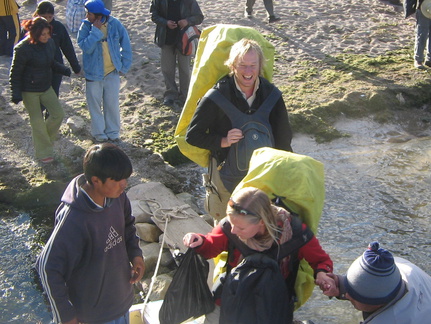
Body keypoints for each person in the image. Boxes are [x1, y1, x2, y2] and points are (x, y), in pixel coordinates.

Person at [183, 187, 334, 324]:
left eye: (241, 227)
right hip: (231, 297)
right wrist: (199, 241)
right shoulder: (229, 227)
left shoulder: (295, 233)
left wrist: (322, 273)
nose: (233, 231)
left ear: (261, 223)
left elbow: (321, 260)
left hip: (271, 303)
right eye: (231, 223)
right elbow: (209, 248)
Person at [36, 143, 146, 324]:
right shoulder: (74, 219)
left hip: (122, 300)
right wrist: (66, 315)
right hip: (95, 315)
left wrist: (136, 254)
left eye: (125, 179)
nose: (124, 185)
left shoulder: (118, 197)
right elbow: (47, 267)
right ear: (96, 180)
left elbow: (127, 225)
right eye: (117, 180)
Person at [186, 39, 293, 220]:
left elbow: (284, 139)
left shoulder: (272, 95)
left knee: (262, 227)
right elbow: (193, 135)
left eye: (253, 65)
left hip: (264, 177)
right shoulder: (216, 96)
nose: (248, 72)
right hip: (225, 178)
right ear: (232, 65)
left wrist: (284, 177)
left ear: (260, 66)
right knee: (228, 230)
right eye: (242, 65)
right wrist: (223, 141)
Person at [320, 241, 431, 323]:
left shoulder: (390, 320)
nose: (347, 295)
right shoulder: (400, 268)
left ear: (377, 304)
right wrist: (340, 284)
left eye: (354, 295)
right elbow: (373, 283)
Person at [9, 17, 70, 164]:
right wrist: (15, 93)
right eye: (43, 34)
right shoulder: (22, 48)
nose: (47, 37)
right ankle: (43, 153)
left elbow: (51, 63)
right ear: (35, 33)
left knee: (58, 114)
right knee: (37, 122)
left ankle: (44, 141)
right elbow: (15, 72)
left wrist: (64, 69)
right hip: (29, 90)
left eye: (48, 33)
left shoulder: (49, 43)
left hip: (45, 86)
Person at [77, 0, 132, 143]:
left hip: (112, 72)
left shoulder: (115, 24)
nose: (86, 15)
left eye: (89, 13)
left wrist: (124, 66)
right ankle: (99, 134)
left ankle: (113, 132)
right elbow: (85, 46)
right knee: (94, 105)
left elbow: (125, 43)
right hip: (93, 73)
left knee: (111, 103)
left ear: (97, 15)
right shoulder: (85, 26)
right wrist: (95, 31)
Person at [150, 0, 204, 107]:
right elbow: (154, 15)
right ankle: (170, 94)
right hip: (166, 38)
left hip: (184, 39)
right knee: (167, 69)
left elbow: (199, 17)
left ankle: (185, 95)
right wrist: (165, 22)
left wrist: (187, 21)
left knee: (184, 69)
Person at [34, 1, 82, 98]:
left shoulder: (59, 27)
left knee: (53, 95)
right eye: (44, 17)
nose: (47, 20)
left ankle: (50, 113)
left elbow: (67, 48)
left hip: (55, 67)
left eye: (50, 17)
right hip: (36, 68)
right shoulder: (31, 27)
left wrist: (76, 68)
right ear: (37, 14)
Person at [414, 0, 431, 69]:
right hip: (423, 7)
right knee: (422, 35)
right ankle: (418, 59)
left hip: (425, 7)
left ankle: (429, 59)